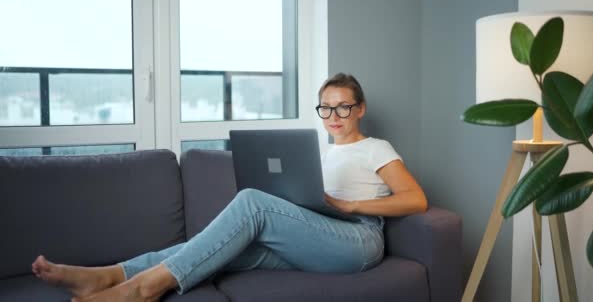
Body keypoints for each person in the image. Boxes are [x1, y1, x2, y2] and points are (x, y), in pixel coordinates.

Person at [31, 73, 428, 302]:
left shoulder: (375, 148)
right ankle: (109, 275)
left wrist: (351, 206)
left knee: (252, 203)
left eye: (343, 107)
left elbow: (416, 199)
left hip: (359, 242)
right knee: (228, 247)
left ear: (360, 109)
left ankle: (142, 290)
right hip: (318, 238)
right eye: (326, 107)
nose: (334, 115)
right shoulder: (318, 151)